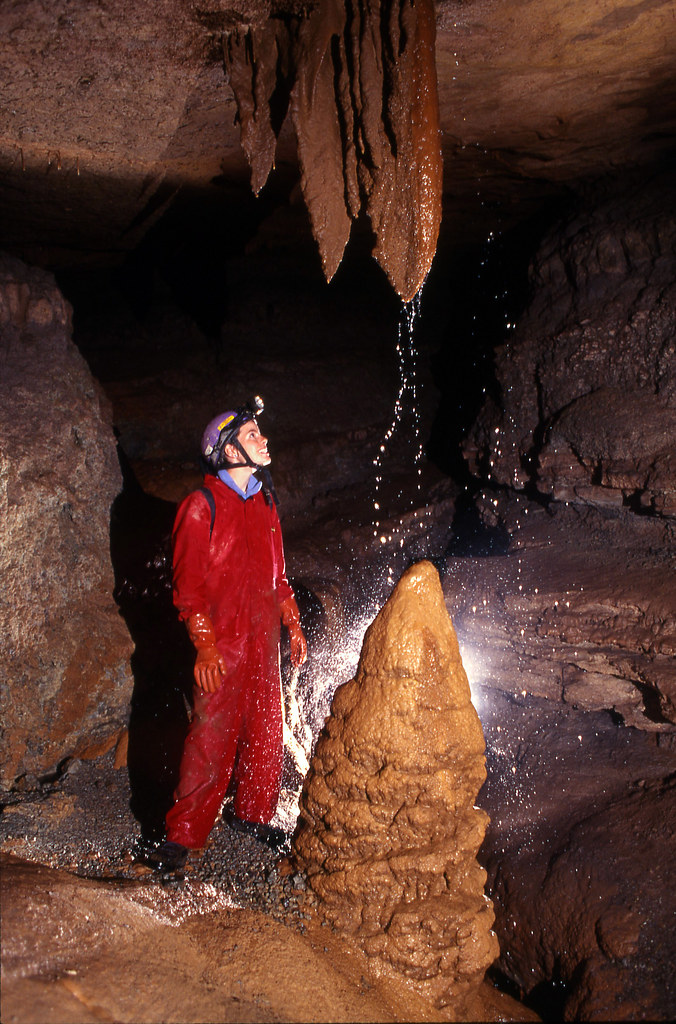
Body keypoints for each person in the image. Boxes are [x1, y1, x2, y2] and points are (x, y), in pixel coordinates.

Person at [147, 397, 307, 874]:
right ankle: (183, 835)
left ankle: (253, 814)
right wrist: (204, 644)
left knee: (265, 730)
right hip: (224, 645)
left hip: (263, 642)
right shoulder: (201, 507)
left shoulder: (264, 502)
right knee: (210, 736)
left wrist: (292, 622)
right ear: (231, 451)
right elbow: (188, 589)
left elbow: (278, 576)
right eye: (252, 434)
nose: (263, 439)